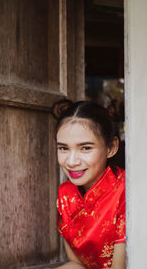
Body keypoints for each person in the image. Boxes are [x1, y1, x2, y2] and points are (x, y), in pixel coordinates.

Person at [52, 100, 126, 269]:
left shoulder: (125, 192)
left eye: (85, 148)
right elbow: (77, 264)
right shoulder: (66, 194)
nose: (71, 162)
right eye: (63, 148)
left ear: (111, 148)